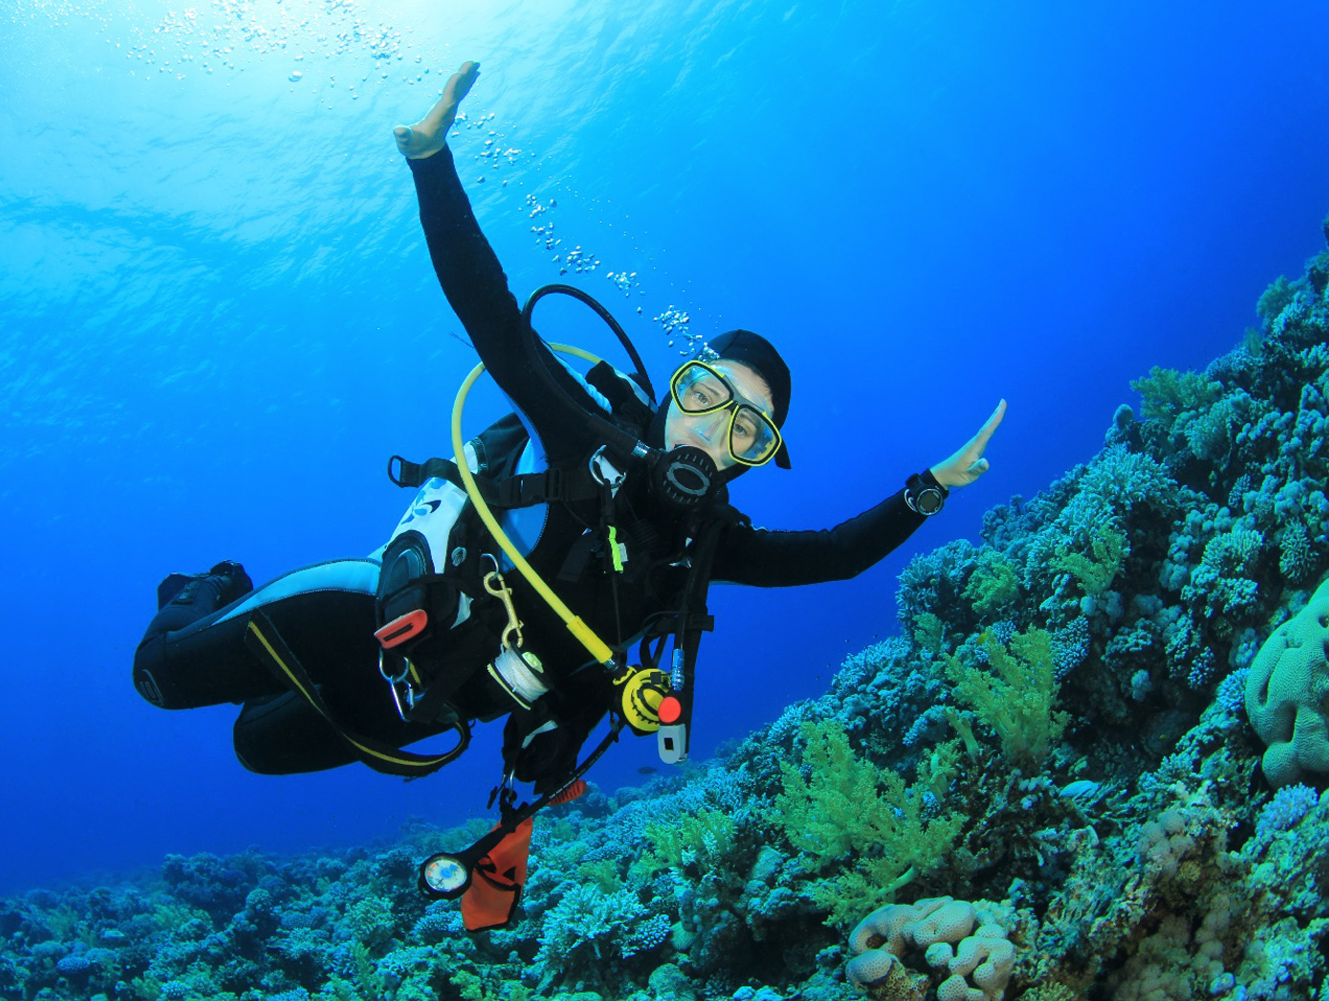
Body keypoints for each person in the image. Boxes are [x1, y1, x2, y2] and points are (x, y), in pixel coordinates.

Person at [132, 60, 1004, 923]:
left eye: (747, 430)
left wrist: (931, 487)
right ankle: (211, 590)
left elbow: (835, 557)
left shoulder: (706, 548)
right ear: (675, 388)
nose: (711, 433)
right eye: (706, 395)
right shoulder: (586, 435)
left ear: (755, 456)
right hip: (367, 613)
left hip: (420, 706)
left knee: (255, 746)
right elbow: (492, 314)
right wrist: (432, 164)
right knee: (159, 676)